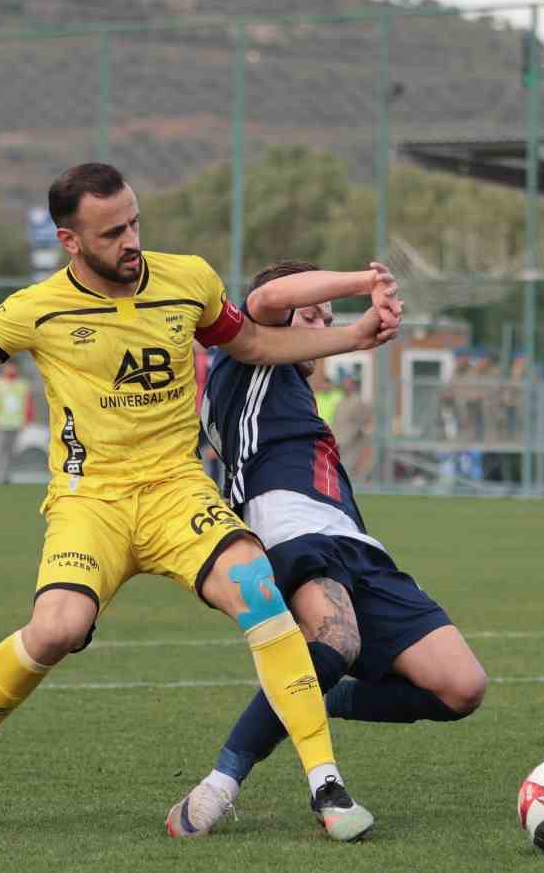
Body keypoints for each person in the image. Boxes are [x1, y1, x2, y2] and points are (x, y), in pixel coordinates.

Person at [0, 162, 401, 842]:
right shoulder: (38, 308)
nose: (131, 241)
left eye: (134, 223)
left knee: (258, 588)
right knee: (56, 629)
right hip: (92, 503)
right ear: (70, 240)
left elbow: (255, 342)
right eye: (111, 232)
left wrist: (352, 337)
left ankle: (326, 785)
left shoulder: (189, 280)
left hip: (176, 490)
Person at [168, 260, 487, 836]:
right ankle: (219, 784)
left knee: (462, 687)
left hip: (355, 543)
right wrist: (364, 283)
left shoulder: (292, 388)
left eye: (328, 317)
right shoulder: (245, 357)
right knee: (335, 640)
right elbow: (269, 296)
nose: (323, 325)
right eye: (312, 315)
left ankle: (314, 698)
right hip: (289, 530)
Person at [0, 361, 32, 483]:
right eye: (8, 367)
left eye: (13, 367)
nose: (11, 369)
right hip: (1, 422)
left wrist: (26, 420)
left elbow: (27, 404)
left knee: (11, 453)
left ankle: (6, 476)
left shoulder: (23, 385)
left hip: (16, 423)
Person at [333, 371, 374, 483]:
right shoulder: (340, 402)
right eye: (344, 383)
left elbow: (366, 423)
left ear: (353, 385)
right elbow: (336, 422)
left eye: (348, 383)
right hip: (339, 444)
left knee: (349, 473)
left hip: (353, 445)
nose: (346, 386)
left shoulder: (358, 402)